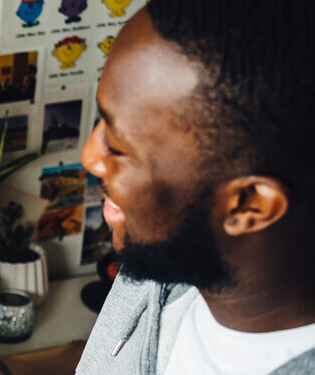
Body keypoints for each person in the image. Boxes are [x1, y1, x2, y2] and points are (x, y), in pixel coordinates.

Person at [76, 2, 315, 374]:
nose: (90, 156)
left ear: (248, 205)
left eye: (119, 148)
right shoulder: (165, 253)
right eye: (100, 120)